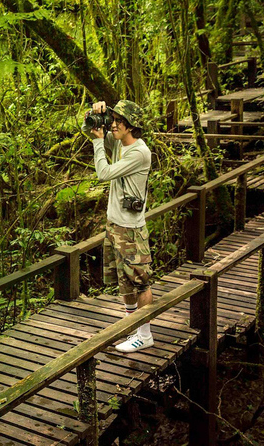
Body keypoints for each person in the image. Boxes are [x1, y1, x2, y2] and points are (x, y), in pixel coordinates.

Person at [85, 99, 154, 353]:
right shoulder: (117, 142)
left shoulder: (139, 152)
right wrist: (94, 113)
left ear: (130, 126)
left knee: (141, 282)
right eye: (113, 120)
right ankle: (131, 328)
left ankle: (145, 334)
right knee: (123, 283)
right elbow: (88, 127)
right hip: (114, 224)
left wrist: (96, 142)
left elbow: (103, 173)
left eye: (118, 122)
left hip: (131, 228)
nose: (113, 125)